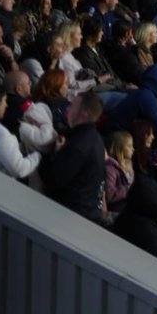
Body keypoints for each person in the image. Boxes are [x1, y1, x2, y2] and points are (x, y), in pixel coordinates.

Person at [41, 91, 107, 223]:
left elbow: (52, 180)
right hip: (86, 214)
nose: (68, 109)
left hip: (71, 218)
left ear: (83, 114)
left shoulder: (79, 145)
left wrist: (44, 156)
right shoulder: (95, 139)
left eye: (72, 106)